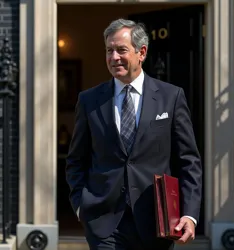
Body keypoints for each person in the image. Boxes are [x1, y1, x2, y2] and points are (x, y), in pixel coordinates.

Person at [66, 18, 202, 250]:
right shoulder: (89, 100)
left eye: (121, 50)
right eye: (109, 50)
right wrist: (81, 205)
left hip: (156, 223)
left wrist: (189, 215)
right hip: (103, 223)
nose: (114, 57)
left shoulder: (171, 97)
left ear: (142, 52)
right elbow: (76, 160)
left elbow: (189, 161)